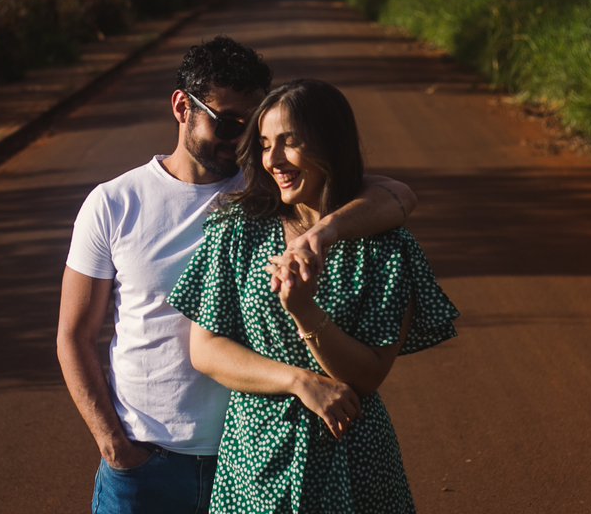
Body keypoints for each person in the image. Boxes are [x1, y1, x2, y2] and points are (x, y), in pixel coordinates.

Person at [57, 37, 419, 514]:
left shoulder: (266, 193)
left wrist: (321, 233)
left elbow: (397, 195)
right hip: (146, 461)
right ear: (182, 107)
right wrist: (115, 447)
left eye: (253, 128)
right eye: (228, 123)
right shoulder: (114, 203)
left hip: (248, 456)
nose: (241, 141)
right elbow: (75, 336)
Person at [168, 78, 459, 514]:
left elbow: (368, 375)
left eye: (290, 142)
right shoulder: (237, 230)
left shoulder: (387, 248)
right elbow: (206, 350)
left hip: (353, 456)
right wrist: (301, 382)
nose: (273, 160)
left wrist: (304, 311)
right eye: (265, 145)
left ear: (330, 144)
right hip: (255, 460)